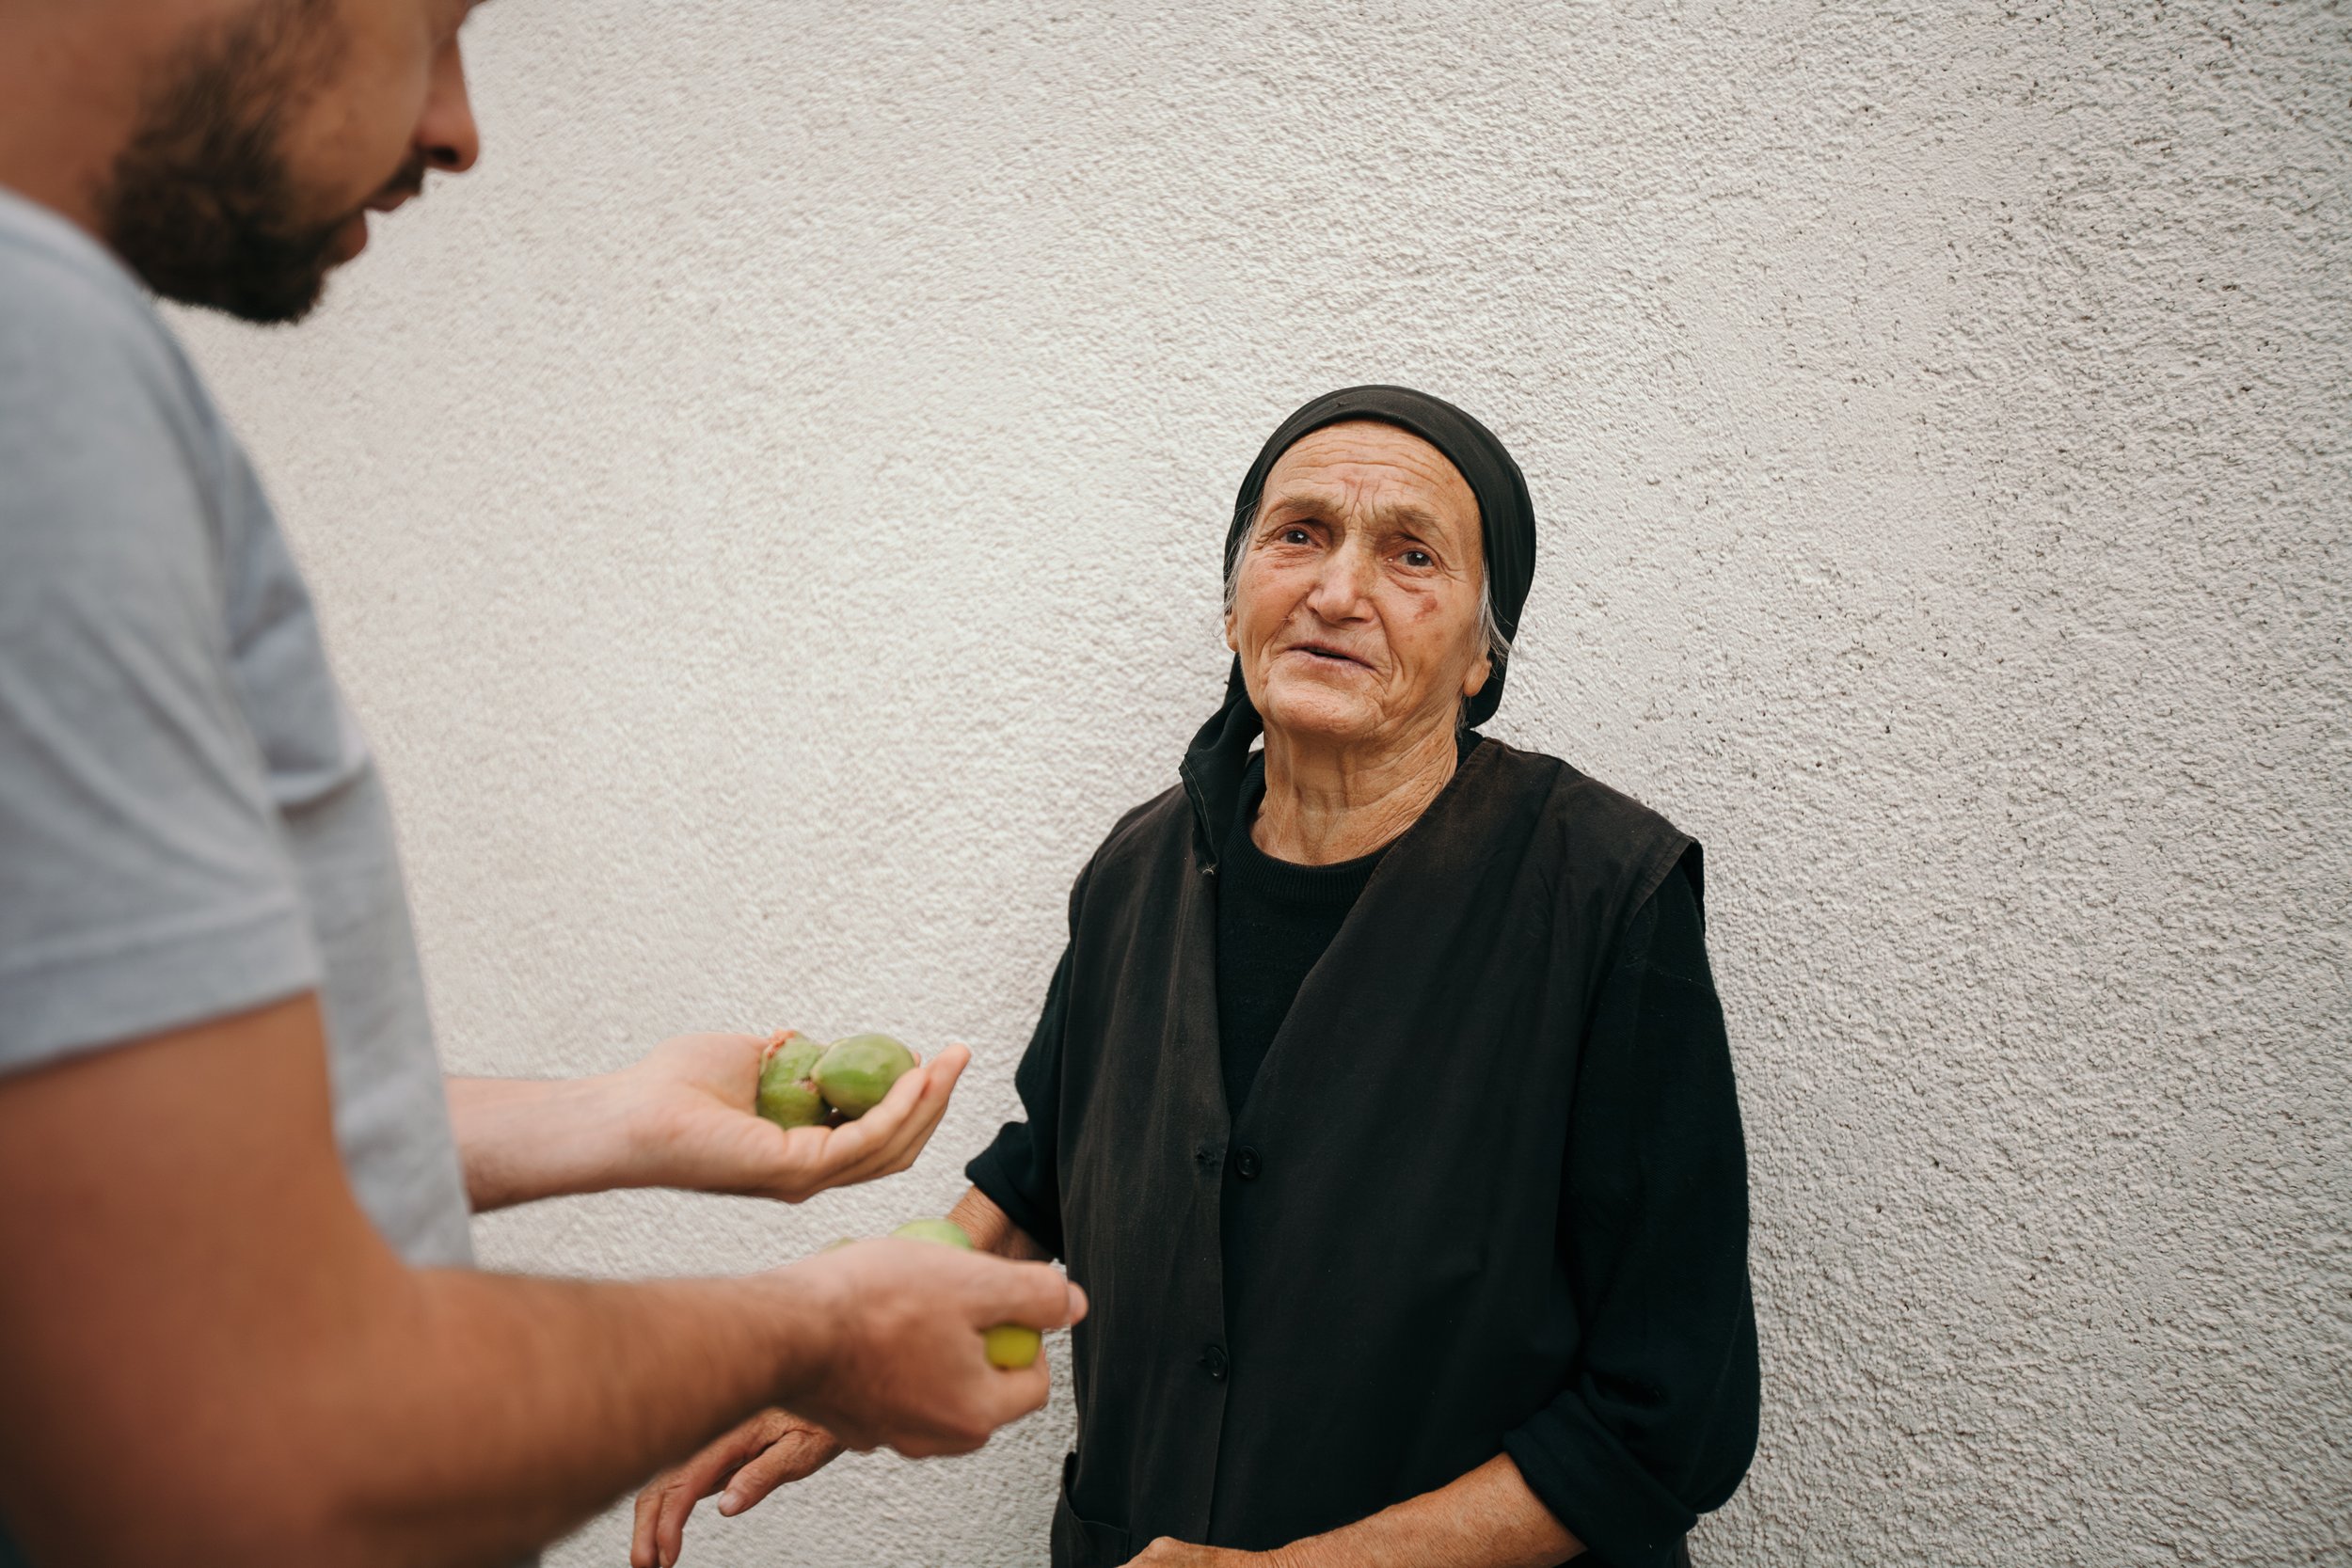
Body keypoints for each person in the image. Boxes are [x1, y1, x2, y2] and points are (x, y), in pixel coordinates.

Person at [0, 4, 1083, 1565]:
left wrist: (607, 1119)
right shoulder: (49, 366)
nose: (458, 125)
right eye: (435, 21)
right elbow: (256, 1431)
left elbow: (106, 1174)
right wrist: (808, 1328)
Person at [640, 387, 1758, 1568]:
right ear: (1234, 604)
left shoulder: (1602, 896)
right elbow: (1047, 1175)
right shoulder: (1137, 868)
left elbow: (1664, 1417)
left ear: (1483, 654)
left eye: (1411, 554)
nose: (1336, 591)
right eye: (1298, 534)